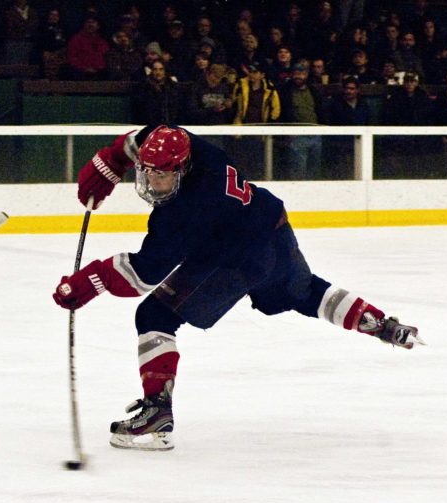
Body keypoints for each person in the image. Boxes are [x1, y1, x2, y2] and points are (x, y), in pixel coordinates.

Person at [53, 125, 422, 450]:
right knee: (304, 292)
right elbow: (148, 134)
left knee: (154, 314)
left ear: (181, 171)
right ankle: (381, 325)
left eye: (161, 176)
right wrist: (111, 161)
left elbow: (142, 274)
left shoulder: (186, 210)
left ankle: (157, 411)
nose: (151, 183)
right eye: (145, 173)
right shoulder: (189, 147)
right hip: (270, 225)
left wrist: (88, 282)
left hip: (235, 258)